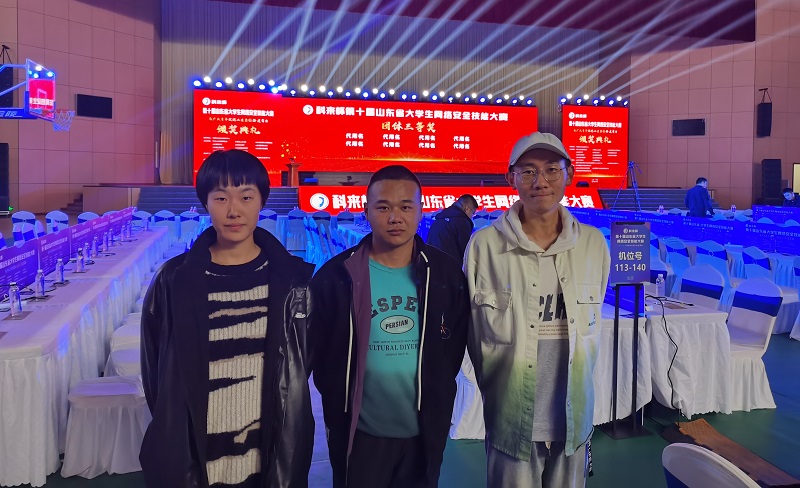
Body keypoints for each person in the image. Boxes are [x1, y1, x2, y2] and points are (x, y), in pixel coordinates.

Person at [140, 149, 315, 488]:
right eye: (221, 198)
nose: (234, 210)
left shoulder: (295, 282)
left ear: (261, 201)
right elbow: (156, 374)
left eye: (246, 197)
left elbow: (300, 364)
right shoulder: (173, 280)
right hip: (197, 457)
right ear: (205, 203)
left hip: (268, 453)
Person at [464, 132, 610, 488]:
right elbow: (471, 332)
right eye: (528, 171)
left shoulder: (593, 244)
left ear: (569, 174)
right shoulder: (485, 246)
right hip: (510, 418)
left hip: (574, 419)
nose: (540, 181)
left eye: (551, 170)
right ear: (510, 177)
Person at [309, 165, 470, 488]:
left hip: (424, 435)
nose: (395, 217)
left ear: (421, 210)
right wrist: (343, 401)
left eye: (405, 207)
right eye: (383, 207)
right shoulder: (336, 277)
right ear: (366, 210)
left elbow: (452, 349)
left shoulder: (445, 274)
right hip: (359, 435)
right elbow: (322, 360)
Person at [425, 194, 478, 262]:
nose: (472, 216)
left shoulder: (439, 219)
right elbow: (466, 250)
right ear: (466, 209)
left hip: (432, 263)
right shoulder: (462, 222)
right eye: (473, 213)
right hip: (451, 265)